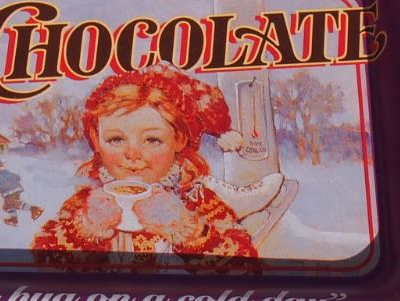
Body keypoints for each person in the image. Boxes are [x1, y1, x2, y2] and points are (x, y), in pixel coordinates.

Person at [33, 68, 259, 268]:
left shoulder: (196, 199)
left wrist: (187, 230)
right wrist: (84, 229)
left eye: (152, 140)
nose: (132, 154)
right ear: (96, 140)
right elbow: (41, 258)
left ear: (178, 140)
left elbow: (244, 264)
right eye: (116, 140)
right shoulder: (87, 201)